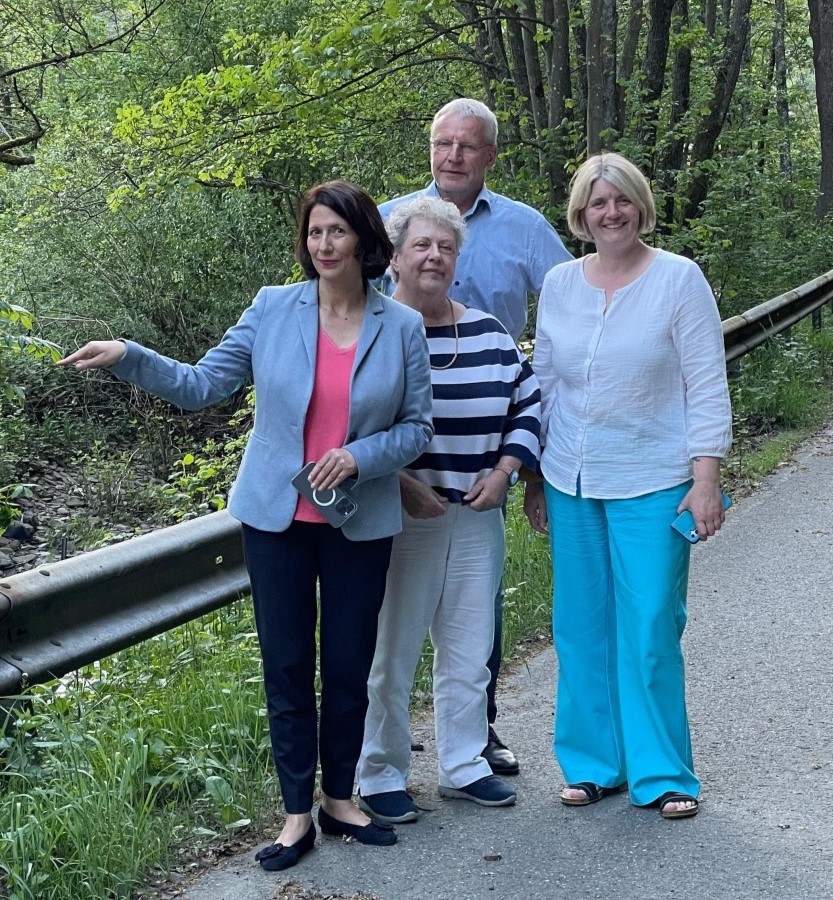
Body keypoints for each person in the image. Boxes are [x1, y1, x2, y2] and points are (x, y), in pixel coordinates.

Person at [59, 180, 434, 869]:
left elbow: (416, 430)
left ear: (365, 242)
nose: (323, 245)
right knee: (287, 665)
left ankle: (341, 799)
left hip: (360, 520)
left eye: (337, 233)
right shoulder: (271, 309)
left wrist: (358, 456)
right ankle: (297, 814)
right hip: (276, 519)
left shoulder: (401, 326)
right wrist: (130, 356)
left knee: (348, 664)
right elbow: (206, 385)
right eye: (314, 233)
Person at [523, 153, 732, 820]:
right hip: (570, 479)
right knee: (580, 628)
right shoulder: (558, 284)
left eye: (621, 201)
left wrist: (707, 478)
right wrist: (533, 476)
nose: (609, 213)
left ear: (641, 206)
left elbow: (705, 382)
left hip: (654, 479)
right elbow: (545, 385)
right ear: (580, 215)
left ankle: (664, 772)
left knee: (649, 627)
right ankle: (593, 765)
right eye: (596, 203)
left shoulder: (678, 280)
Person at [379, 97, 570, 775]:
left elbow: (564, 325)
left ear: (490, 154)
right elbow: (341, 323)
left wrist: (527, 469)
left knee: (473, 617)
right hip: (393, 472)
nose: (453, 156)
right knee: (390, 628)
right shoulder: (387, 222)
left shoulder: (525, 230)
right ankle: (384, 756)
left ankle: (474, 740)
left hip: (485, 457)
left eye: (468, 145)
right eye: (443, 143)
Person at [356, 197, 540, 822]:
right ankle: (379, 772)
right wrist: (401, 481)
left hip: (478, 512)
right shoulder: (371, 330)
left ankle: (464, 764)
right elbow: (347, 422)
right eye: (422, 246)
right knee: (393, 649)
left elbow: (529, 404)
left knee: (470, 648)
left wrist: (508, 468)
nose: (434, 257)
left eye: (446, 248)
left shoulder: (488, 333)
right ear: (397, 256)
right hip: (402, 516)